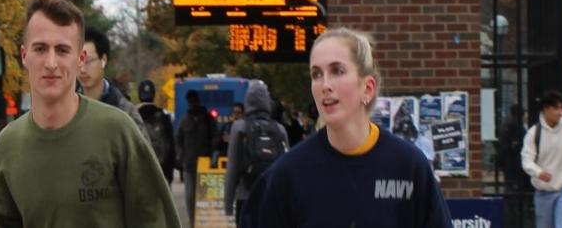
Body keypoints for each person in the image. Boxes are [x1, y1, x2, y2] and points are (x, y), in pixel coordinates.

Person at [0, 0, 180, 228]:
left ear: (80, 59)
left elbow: (156, 221)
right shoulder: (8, 146)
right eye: (40, 49)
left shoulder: (118, 132)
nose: (51, 63)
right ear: (25, 56)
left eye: (62, 50)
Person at [240, 28, 452, 227]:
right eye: (316, 74)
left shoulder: (409, 167)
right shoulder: (286, 175)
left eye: (337, 71)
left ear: (367, 88)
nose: (325, 85)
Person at [224, 80, 287, 227]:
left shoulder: (239, 127)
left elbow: (232, 167)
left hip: (245, 197)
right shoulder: (279, 129)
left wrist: (228, 204)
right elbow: (287, 168)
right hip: (272, 199)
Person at [521, 90, 562, 228]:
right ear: (546, 109)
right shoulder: (534, 133)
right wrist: (538, 172)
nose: (559, 112)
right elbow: (526, 159)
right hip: (543, 192)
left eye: (561, 108)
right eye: (556, 108)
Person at [79, 27, 150, 141]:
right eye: (79, 61)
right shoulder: (66, 107)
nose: (82, 69)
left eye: (88, 61)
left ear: (103, 60)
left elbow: (143, 154)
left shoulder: (124, 111)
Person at [175, 88, 218, 226]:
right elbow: (179, 140)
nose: (191, 104)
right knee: (189, 197)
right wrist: (181, 156)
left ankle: (203, 222)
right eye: (189, 101)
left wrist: (212, 155)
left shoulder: (207, 118)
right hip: (189, 165)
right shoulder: (184, 120)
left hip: (204, 164)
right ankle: (193, 223)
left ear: (196, 101)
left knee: (204, 197)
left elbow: (215, 138)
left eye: (192, 101)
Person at [136, 79, 177, 184]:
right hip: (162, 172)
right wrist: (170, 174)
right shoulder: (164, 117)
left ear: (139, 96)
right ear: (154, 95)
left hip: (140, 173)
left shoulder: (132, 118)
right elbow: (171, 146)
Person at [497, 104, 526, 189]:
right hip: (512, 155)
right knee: (513, 179)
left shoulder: (507, 122)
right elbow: (521, 139)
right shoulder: (515, 124)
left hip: (507, 154)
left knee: (509, 179)